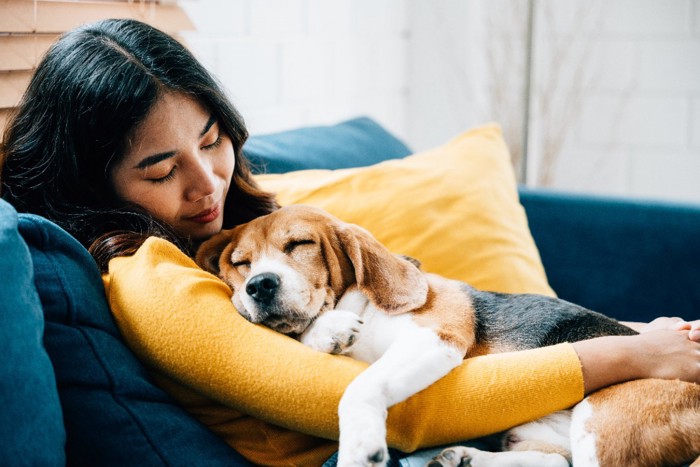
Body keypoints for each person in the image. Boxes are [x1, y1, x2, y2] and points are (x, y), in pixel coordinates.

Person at [2, 18, 699, 467]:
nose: (206, 183)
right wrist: (631, 351)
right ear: (93, 182)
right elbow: (410, 409)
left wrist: (645, 337)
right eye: (159, 169)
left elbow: (423, 301)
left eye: (212, 139)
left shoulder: (236, 226)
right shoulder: (149, 275)